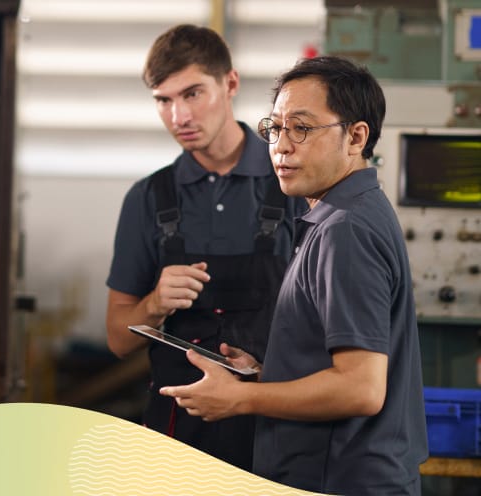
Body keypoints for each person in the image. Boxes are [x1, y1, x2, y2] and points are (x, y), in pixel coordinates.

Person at [159, 55, 428, 495]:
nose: (282, 147)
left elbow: (361, 389)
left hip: (342, 479)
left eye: (301, 128)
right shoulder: (341, 215)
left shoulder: (347, 230)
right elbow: (338, 363)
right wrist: (269, 374)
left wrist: (241, 398)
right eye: (276, 128)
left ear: (356, 137)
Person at [104, 24, 307, 470]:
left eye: (192, 94)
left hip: (272, 432)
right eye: (164, 100)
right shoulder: (148, 198)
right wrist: (155, 303)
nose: (179, 116)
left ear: (230, 83)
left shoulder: (293, 185)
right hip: (175, 441)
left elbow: (329, 326)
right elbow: (119, 339)